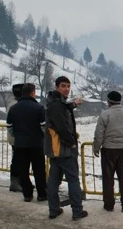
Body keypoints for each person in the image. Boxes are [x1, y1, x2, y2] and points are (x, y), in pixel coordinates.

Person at [44, 76, 88, 220]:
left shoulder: (56, 102)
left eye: (68, 86)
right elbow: (62, 127)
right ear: (57, 87)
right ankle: (77, 211)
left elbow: (63, 109)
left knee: (54, 180)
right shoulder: (57, 105)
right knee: (73, 179)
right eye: (63, 86)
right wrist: (71, 142)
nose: (67, 89)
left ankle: (53, 209)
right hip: (64, 149)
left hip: (55, 149)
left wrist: (74, 104)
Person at [93, 90, 123, 213]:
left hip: (108, 150)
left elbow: (99, 134)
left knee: (108, 178)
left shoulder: (104, 115)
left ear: (108, 101)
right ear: (120, 100)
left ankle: (109, 205)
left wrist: (96, 148)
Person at [6, 83, 47, 202]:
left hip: (19, 144)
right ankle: (41, 194)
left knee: (23, 170)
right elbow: (43, 127)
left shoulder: (13, 108)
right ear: (33, 93)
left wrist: (17, 136)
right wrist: (41, 137)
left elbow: (10, 127)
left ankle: (27, 194)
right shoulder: (38, 108)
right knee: (39, 170)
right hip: (36, 143)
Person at [7, 83, 24, 192]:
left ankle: (21, 181)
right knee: (17, 160)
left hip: (15, 137)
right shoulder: (17, 105)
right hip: (18, 138)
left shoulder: (12, 104)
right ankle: (15, 182)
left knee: (19, 160)